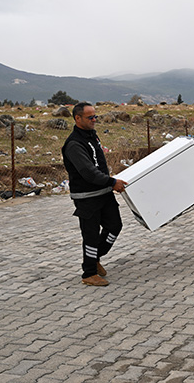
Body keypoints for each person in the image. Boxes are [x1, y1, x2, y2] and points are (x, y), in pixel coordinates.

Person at [62, 102, 127, 286]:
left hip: (104, 193)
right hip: (87, 198)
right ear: (77, 118)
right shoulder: (74, 144)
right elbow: (88, 172)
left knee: (114, 226)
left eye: (95, 116)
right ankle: (88, 273)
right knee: (90, 235)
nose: (94, 120)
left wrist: (109, 183)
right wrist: (112, 182)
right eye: (90, 117)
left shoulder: (92, 136)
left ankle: (95, 258)